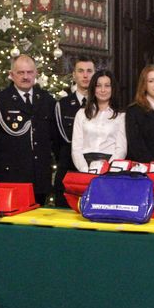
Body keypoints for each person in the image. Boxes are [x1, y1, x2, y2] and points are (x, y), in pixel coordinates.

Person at [0, 54, 56, 205]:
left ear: (36, 73)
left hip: (39, 178)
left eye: (29, 72)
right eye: (21, 72)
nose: (26, 77)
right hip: (11, 177)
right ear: (11, 74)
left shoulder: (47, 100)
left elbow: (53, 139)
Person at [54, 56, 95, 205]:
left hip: (94, 170)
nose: (85, 75)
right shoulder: (62, 105)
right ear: (74, 75)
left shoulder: (102, 104)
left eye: (89, 71)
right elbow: (58, 140)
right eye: (81, 71)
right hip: (68, 169)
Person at [71, 70, 126, 172]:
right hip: (84, 165)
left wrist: (107, 169)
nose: (103, 90)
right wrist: (85, 170)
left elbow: (121, 149)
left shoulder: (121, 116)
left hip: (110, 166)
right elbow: (76, 148)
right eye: (98, 86)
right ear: (93, 88)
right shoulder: (81, 113)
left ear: (113, 89)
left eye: (107, 86)